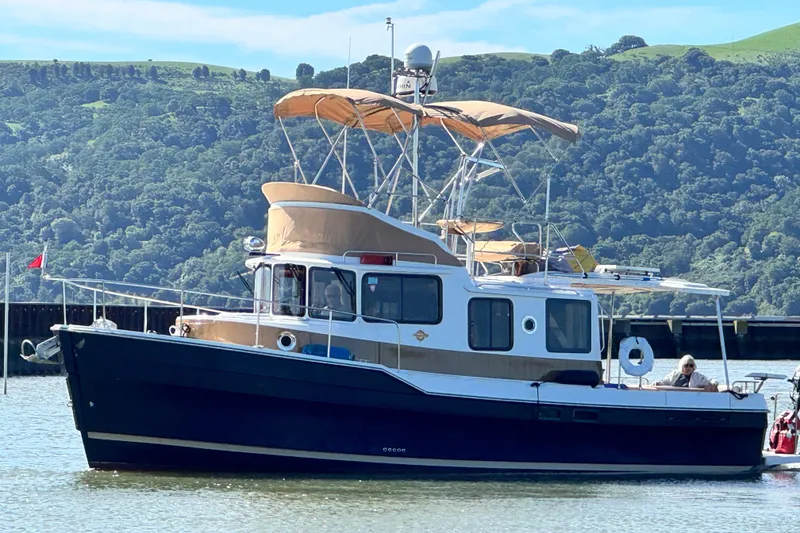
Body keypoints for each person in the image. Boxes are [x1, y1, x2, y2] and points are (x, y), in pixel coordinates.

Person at [654, 354, 719, 391]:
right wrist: (658, 383)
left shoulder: (697, 376)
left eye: (691, 365)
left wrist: (714, 384)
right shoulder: (675, 374)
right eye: (686, 365)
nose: (688, 368)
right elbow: (665, 382)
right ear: (682, 366)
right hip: (674, 398)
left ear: (694, 367)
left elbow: (711, 381)